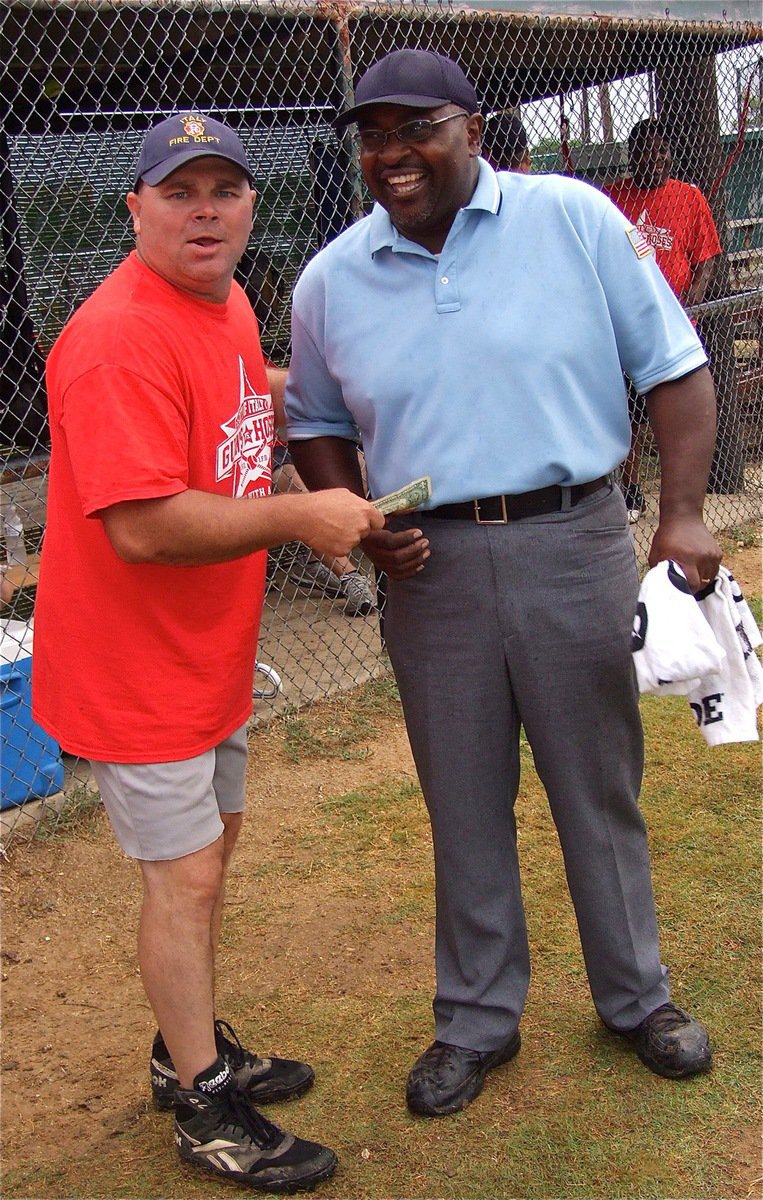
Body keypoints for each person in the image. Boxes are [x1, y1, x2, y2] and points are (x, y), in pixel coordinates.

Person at [284, 49, 721, 1119]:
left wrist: (678, 512)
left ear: (470, 125)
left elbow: (675, 366)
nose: (391, 153)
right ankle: (476, 1018)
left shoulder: (569, 219)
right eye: (371, 135)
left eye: (414, 127)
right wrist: (367, 526)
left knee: (596, 785)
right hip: (429, 571)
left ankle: (635, 999)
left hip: (568, 540)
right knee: (463, 797)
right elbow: (315, 426)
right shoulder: (332, 277)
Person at [31, 111, 383, 1191]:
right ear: (134, 207)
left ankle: (183, 1045)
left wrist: (302, 411)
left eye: (224, 191)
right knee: (182, 882)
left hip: (207, 655)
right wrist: (304, 518)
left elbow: (231, 415)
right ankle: (202, 1103)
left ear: (248, 208)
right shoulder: (112, 340)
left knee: (210, 858)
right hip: (134, 669)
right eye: (180, 193)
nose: (205, 211)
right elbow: (142, 526)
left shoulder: (222, 298)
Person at [604, 118, 722, 522]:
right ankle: (632, 489)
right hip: (630, 321)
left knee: (673, 407)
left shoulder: (689, 197)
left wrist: (688, 305)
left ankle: (680, 496)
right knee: (630, 411)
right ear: (631, 156)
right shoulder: (614, 197)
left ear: (670, 154)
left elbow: (706, 257)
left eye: (660, 150)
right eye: (644, 151)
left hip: (674, 321)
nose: (654, 159)